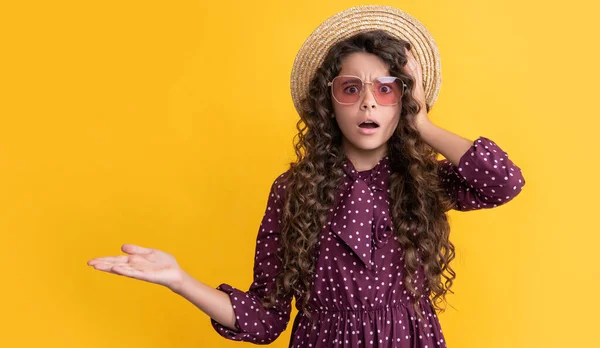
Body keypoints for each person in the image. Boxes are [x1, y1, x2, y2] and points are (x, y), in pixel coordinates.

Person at [87, 5, 526, 347]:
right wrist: (179, 280)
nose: (368, 104)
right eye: (351, 88)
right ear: (328, 102)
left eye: (387, 89)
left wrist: (423, 125)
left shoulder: (421, 180)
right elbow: (264, 319)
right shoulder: (294, 191)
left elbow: (504, 182)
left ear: (405, 100)